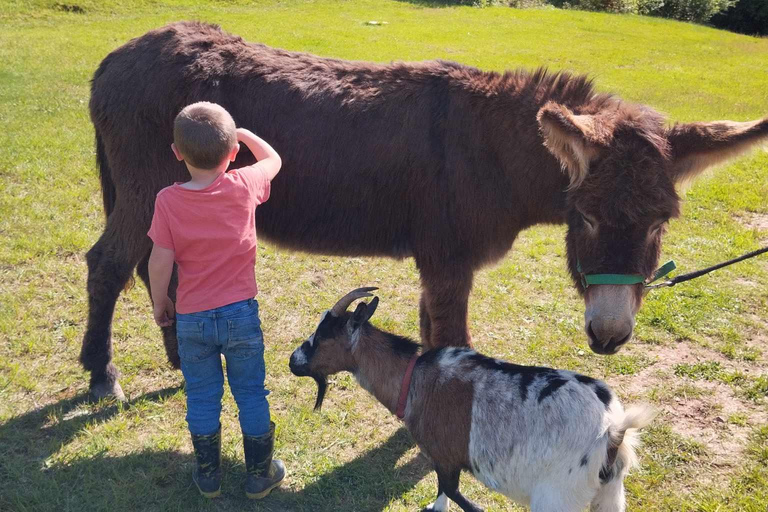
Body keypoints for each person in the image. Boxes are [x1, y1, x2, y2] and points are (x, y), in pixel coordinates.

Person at [147, 101, 284, 499]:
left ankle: (208, 474)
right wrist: (241, 136)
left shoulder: (168, 202)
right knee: (251, 393)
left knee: (202, 394)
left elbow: (160, 260)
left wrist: (161, 301)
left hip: (191, 318)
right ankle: (260, 473)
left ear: (177, 153)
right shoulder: (244, 185)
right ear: (233, 154)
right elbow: (273, 159)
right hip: (241, 313)